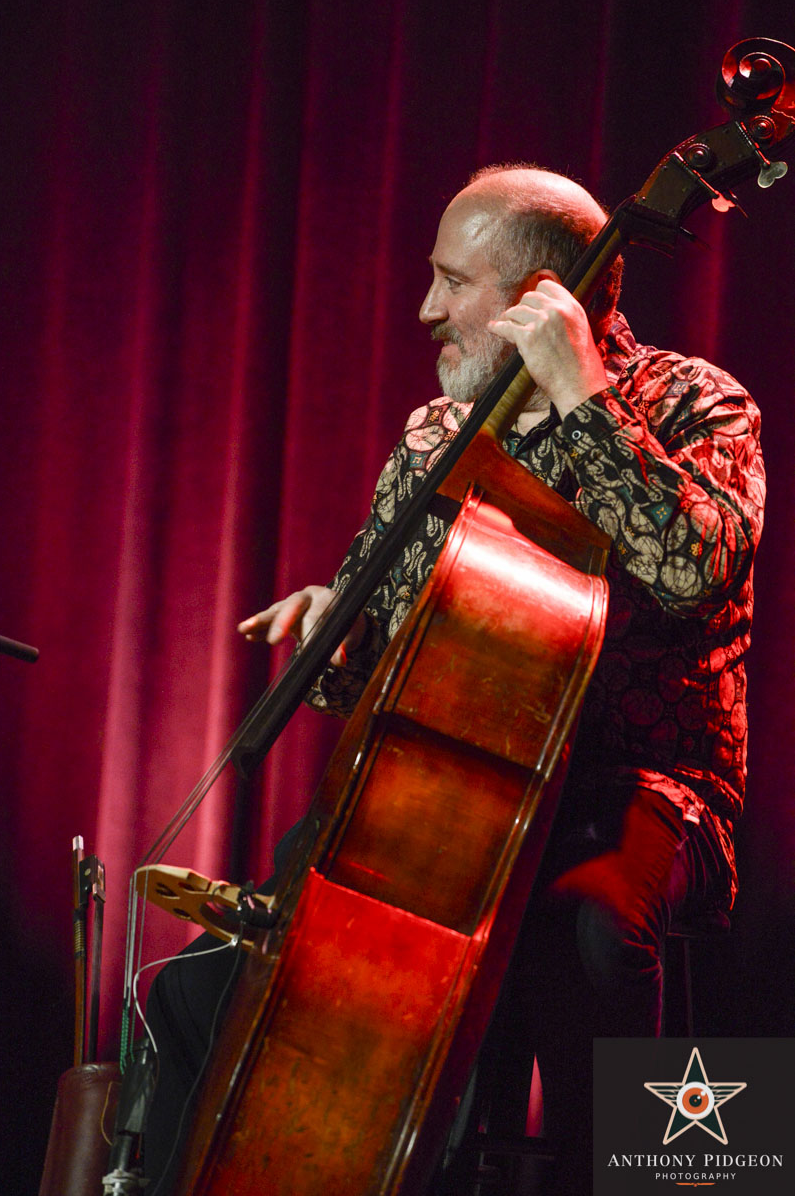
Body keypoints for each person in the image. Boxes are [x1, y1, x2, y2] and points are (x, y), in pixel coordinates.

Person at [145, 165, 763, 1194]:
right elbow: (396, 652)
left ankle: (671, 1177)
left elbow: (696, 571)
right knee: (206, 989)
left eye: (453, 281)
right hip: (456, 795)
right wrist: (337, 638)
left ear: (540, 298)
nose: (427, 309)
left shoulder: (701, 401)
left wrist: (583, 399)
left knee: (591, 932)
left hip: (643, 786)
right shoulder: (439, 436)